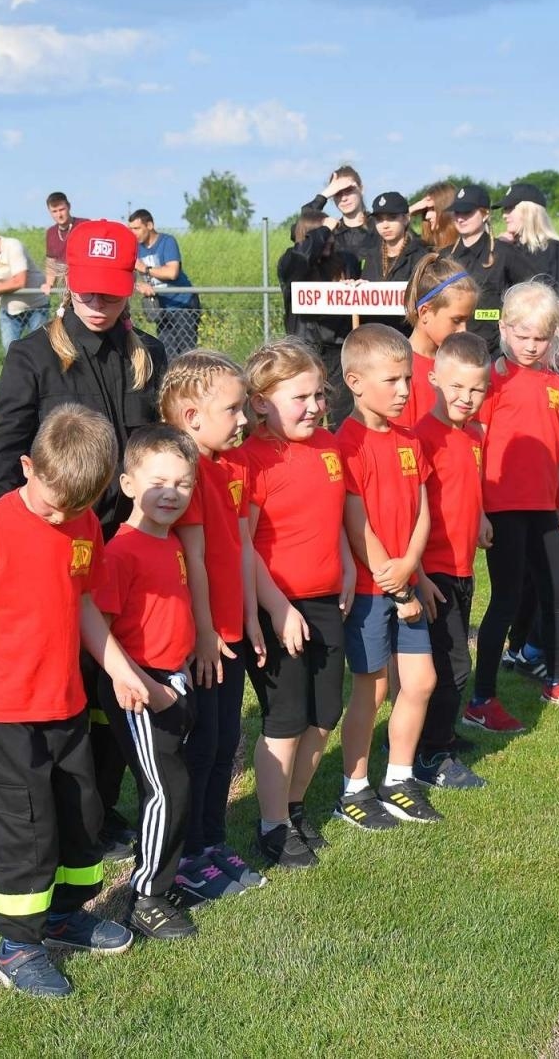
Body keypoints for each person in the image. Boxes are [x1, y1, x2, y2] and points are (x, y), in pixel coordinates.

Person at [0, 404, 149, 998]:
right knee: (24, 828)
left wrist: (119, 669)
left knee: (83, 815)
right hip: (7, 716)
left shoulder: (82, 525)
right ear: (27, 466)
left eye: (75, 506)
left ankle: (65, 916)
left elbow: (84, 605)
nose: (60, 514)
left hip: (68, 707)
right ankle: (18, 946)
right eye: (52, 500)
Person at [0, 218, 168, 859]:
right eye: (88, 290)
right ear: (65, 283)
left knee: (123, 685)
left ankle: (106, 805)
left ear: (130, 286)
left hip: (132, 555)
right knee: (72, 690)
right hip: (66, 552)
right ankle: (70, 811)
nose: (99, 303)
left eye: (111, 292)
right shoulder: (31, 357)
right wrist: (24, 538)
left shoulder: (150, 356)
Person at [225, 340, 355, 869]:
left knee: (325, 713)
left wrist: (346, 562)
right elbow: (244, 545)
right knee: (286, 717)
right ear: (260, 402)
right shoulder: (249, 462)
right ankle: (272, 826)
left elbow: (333, 516)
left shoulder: (327, 446)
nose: (315, 406)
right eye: (299, 397)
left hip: (326, 601)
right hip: (277, 607)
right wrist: (278, 608)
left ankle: (295, 806)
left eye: (319, 395)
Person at [93, 424, 209, 939]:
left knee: (167, 785)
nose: (171, 493)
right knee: (168, 789)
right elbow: (99, 628)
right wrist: (143, 684)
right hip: (140, 688)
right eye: (159, 481)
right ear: (128, 484)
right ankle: (147, 897)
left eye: (183, 484)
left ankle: (160, 874)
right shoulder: (121, 551)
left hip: (172, 681)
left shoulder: (172, 543)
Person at [162, 351, 268, 899]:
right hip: (205, 640)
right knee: (199, 749)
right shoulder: (189, 473)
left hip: (228, 633)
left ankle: (213, 841)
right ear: (190, 416)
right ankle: (186, 855)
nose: (244, 418)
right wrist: (206, 635)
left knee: (225, 741)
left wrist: (248, 618)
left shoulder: (228, 464)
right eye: (232, 408)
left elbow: (238, 549)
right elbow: (195, 562)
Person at [335, 324, 442, 830]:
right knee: (372, 689)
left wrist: (413, 567)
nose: (405, 390)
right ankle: (354, 788)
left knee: (420, 682)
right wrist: (397, 584)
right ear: (355, 382)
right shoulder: (347, 444)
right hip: (373, 589)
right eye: (393, 380)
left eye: (408, 380)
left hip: (406, 580)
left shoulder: (408, 438)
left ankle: (399, 779)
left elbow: (421, 507)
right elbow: (358, 527)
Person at [469, 282, 559, 729]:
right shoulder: (490, 381)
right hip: (501, 505)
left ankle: (556, 678)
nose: (531, 346)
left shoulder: (556, 384)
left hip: (542, 507)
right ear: (504, 328)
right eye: (523, 336)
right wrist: (477, 509)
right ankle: (481, 699)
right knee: (506, 597)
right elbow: (474, 446)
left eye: (540, 338)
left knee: (558, 589)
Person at [413, 332, 493, 787]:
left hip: (464, 568)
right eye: (456, 387)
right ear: (434, 379)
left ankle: (437, 734)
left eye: (476, 389)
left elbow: (468, 482)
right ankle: (431, 757)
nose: (466, 398)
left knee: (450, 663)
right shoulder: (424, 438)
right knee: (452, 666)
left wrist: (480, 515)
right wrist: (419, 574)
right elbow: (410, 511)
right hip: (436, 572)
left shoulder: (476, 433)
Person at [276, 214, 354, 426]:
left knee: (341, 414)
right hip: (305, 348)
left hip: (337, 350)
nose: (329, 239)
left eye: (331, 234)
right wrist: (323, 230)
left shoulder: (341, 263)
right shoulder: (291, 262)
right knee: (308, 414)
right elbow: (301, 256)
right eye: (323, 234)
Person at [444, 184, 531, 352]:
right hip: (452, 349)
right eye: (457, 212)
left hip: (493, 351)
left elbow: (532, 291)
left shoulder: (504, 253)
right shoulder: (445, 257)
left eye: (467, 212)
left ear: (485, 214)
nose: (460, 218)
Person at [399, 255, 477, 429]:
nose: (464, 330)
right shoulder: (401, 369)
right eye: (457, 320)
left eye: (467, 321)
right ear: (425, 312)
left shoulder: (462, 365)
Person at [129, 209, 201, 357]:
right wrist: (138, 286)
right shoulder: (136, 248)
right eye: (131, 229)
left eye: (137, 228)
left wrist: (145, 269)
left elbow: (172, 272)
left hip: (183, 304)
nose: (133, 233)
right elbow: (128, 274)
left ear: (149, 225)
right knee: (167, 352)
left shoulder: (167, 241)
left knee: (187, 353)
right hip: (162, 308)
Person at [359, 190, 428, 331]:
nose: (385, 225)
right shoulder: (371, 256)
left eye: (392, 218)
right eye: (379, 219)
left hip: (407, 336)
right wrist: (357, 288)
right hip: (376, 336)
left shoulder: (421, 255)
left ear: (406, 218)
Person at [0, 231, 49, 353]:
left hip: (36, 306)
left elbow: (19, 281)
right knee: (10, 350)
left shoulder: (13, 247)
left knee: (40, 349)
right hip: (8, 309)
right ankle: (20, 372)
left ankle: (42, 372)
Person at [304, 166, 378, 276]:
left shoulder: (381, 227)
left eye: (349, 191)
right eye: (337, 193)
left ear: (361, 189)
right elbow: (302, 227)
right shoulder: (330, 234)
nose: (344, 198)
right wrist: (324, 195)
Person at [500, 181, 559, 284]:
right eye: (504, 210)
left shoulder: (557, 250)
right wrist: (499, 247)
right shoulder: (506, 248)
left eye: (510, 209)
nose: (504, 216)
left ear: (530, 211)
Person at [41, 191, 85, 296]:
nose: (59, 215)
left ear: (68, 206)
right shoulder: (51, 232)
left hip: (85, 285)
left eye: (62, 209)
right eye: (54, 211)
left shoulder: (84, 225)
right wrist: (49, 284)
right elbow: (51, 260)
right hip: (66, 290)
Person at [413, 181, 461, 252]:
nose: (427, 216)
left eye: (433, 209)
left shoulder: (465, 247)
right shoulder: (424, 247)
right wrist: (411, 210)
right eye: (426, 211)